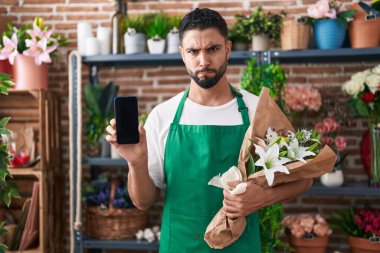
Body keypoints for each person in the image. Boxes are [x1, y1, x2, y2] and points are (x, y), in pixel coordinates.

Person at [106, 8, 313, 252]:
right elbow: (142, 202)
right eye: (193, 51)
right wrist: (136, 162)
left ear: (227, 49)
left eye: (212, 49)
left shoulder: (257, 108)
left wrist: (263, 197)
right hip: (180, 245)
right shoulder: (163, 116)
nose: (203, 61)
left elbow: (304, 178)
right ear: (183, 54)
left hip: (241, 245)